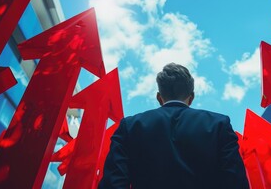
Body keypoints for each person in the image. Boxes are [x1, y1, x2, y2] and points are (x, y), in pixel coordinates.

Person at [98, 63, 249, 189]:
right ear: (191, 97)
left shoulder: (130, 126)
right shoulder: (219, 125)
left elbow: (113, 183)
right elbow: (235, 182)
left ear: (159, 97)